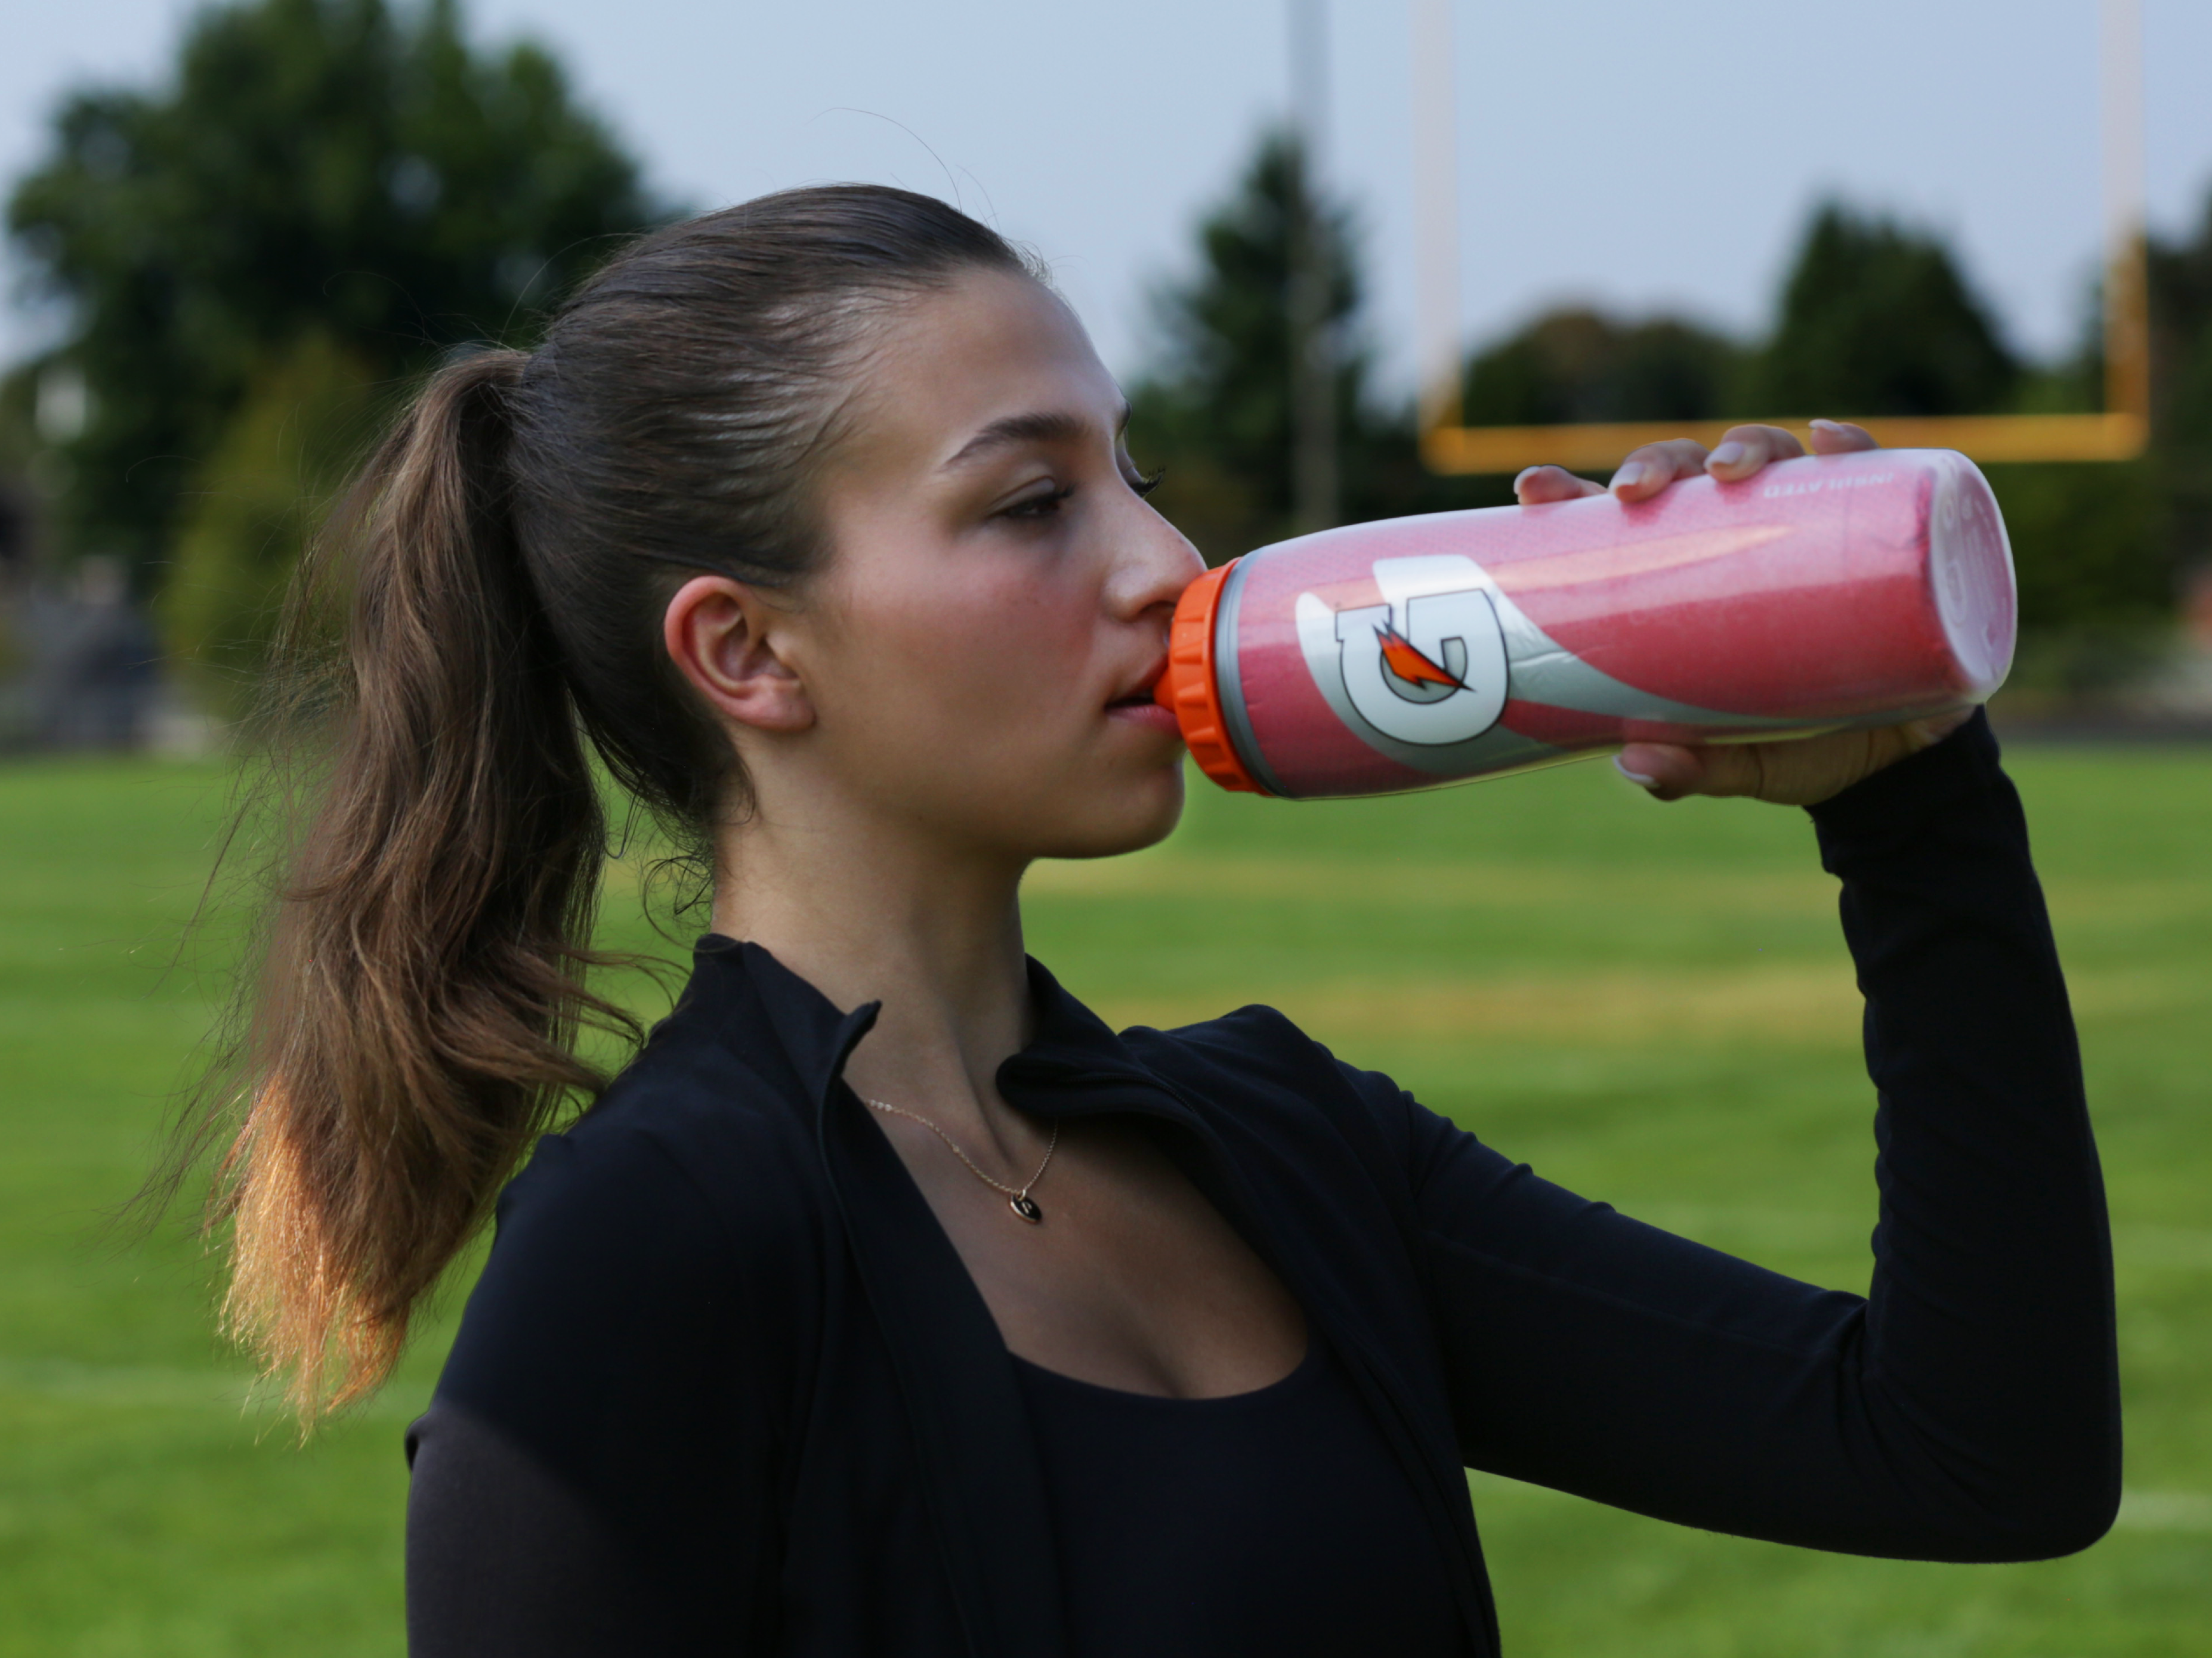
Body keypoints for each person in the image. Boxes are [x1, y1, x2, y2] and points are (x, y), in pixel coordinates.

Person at [200, 187, 2118, 1657]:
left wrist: (1903, 796)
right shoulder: (657, 1245)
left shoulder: (1287, 1142)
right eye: (1031, 502)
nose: (1166, 564)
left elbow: (1976, 1452)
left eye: (1134, 473)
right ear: (747, 649)